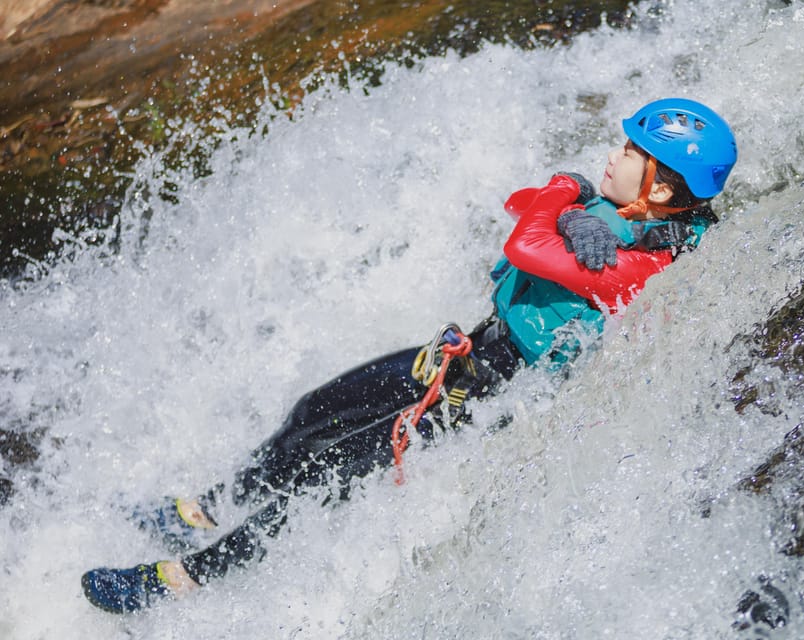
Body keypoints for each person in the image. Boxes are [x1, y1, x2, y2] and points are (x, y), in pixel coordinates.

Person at [81, 98, 737, 614]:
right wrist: (569, 209)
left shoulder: (642, 262)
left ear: (655, 191)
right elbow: (522, 209)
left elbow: (523, 248)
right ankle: (205, 509)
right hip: (463, 354)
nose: (613, 154)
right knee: (317, 410)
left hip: (488, 397)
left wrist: (563, 196)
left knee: (327, 475)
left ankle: (180, 580)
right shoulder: (613, 212)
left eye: (630, 152)